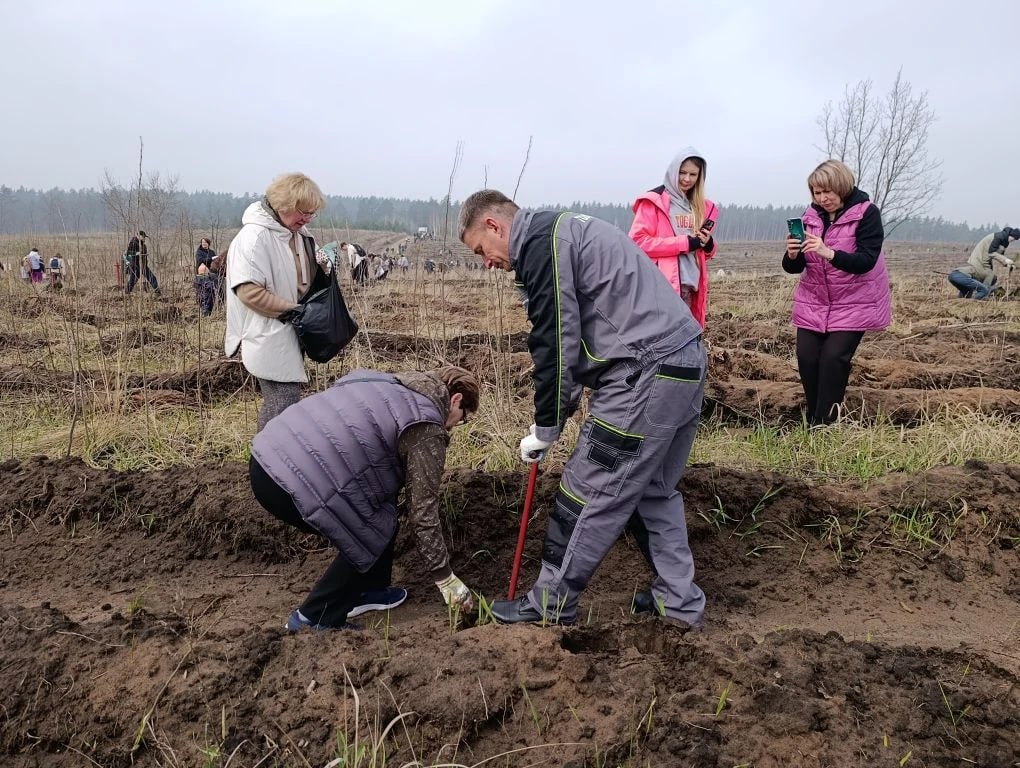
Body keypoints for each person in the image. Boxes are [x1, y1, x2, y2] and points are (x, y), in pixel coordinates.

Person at [459, 189, 707, 628]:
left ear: (494, 225)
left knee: (587, 487)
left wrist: (547, 425)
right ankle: (678, 601)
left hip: (644, 369)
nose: (487, 263)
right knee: (652, 491)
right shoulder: (565, 230)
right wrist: (561, 410)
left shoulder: (541, 243)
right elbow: (574, 337)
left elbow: (556, 339)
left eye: (481, 250)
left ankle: (549, 603)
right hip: (683, 361)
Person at [249, 366, 480, 630]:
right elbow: (423, 512)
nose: (455, 426)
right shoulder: (425, 425)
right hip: (291, 483)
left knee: (381, 513)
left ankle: (369, 590)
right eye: (462, 419)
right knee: (368, 534)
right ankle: (313, 618)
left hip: (266, 456)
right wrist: (445, 577)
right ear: (456, 400)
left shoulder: (384, 381)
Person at [782, 159, 891, 427]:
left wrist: (828, 253)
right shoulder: (810, 216)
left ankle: (825, 424)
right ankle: (813, 418)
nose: (823, 198)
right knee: (807, 358)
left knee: (833, 358)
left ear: (841, 186)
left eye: (827, 192)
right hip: (815, 301)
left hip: (855, 301)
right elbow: (795, 267)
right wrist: (792, 255)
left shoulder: (867, 214)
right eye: (817, 193)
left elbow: (866, 261)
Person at [224, 172, 328, 431]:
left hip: (291, 331)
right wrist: (296, 311)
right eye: (302, 212)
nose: (306, 218)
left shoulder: (298, 234)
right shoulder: (254, 238)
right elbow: (249, 293)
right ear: (283, 204)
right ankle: (267, 454)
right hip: (265, 333)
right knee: (282, 401)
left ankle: (274, 452)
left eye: (312, 213)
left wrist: (324, 269)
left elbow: (303, 279)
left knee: (285, 403)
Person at [629, 148, 719, 328]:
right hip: (661, 288)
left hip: (690, 288)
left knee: (685, 339)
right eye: (682, 172)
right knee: (665, 339)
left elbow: (700, 253)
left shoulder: (700, 207)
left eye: (693, 174)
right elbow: (637, 242)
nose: (687, 179)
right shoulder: (655, 202)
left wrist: (708, 245)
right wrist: (685, 243)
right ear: (673, 171)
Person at [948, 227, 1017, 299]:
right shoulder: (998, 237)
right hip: (977, 263)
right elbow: (992, 253)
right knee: (984, 290)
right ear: (1010, 235)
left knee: (967, 291)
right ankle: (973, 302)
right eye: (1013, 238)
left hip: (956, 274)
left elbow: (998, 254)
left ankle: (964, 301)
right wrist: (1005, 260)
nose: (1013, 240)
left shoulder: (1002, 239)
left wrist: (1006, 263)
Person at [125, 230, 160, 295]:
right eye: (143, 236)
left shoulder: (143, 245)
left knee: (151, 277)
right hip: (135, 265)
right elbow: (129, 253)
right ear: (138, 236)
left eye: (144, 237)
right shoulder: (133, 243)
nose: (144, 238)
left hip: (143, 265)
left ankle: (157, 291)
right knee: (133, 279)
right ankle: (127, 292)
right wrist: (138, 253)